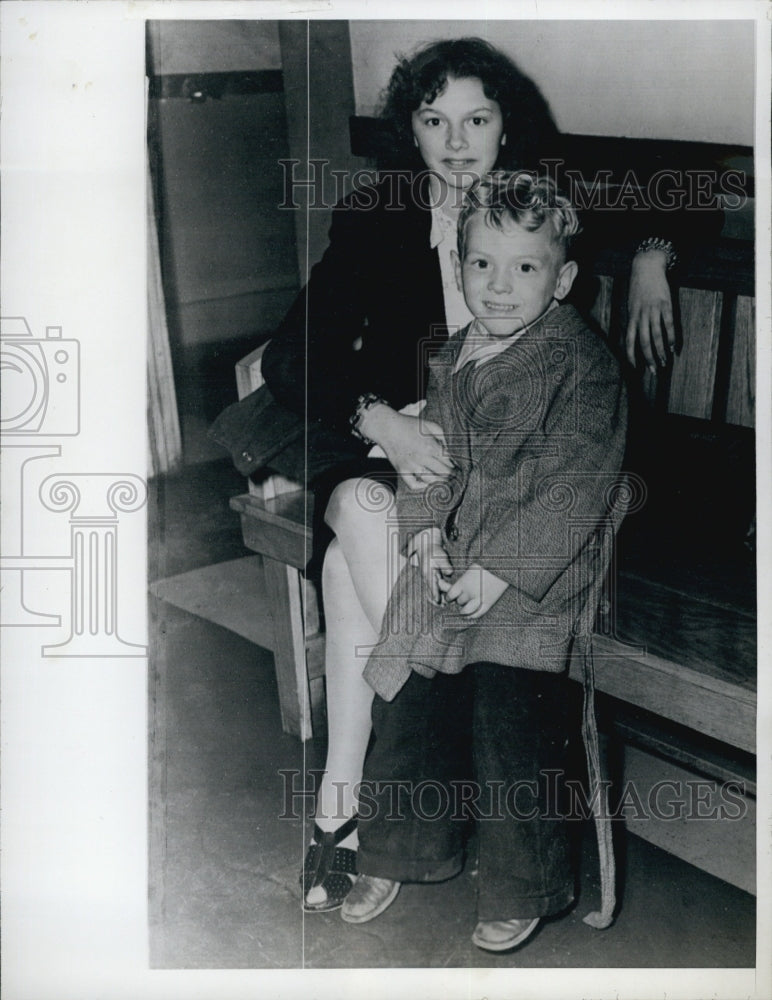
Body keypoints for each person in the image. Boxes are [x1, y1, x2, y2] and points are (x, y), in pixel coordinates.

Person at [259, 37, 697, 913]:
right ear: (410, 131)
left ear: (507, 125)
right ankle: (390, 764)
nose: (456, 141)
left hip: (522, 479)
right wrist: (377, 416)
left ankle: (352, 798)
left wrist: (652, 255)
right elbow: (291, 358)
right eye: (434, 119)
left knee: (348, 556)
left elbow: (672, 181)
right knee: (355, 501)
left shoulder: (544, 198)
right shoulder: (380, 211)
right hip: (403, 452)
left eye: (477, 118)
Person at [339, 171, 627, 952]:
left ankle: (521, 883)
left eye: (525, 268)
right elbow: (428, 457)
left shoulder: (584, 368)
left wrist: (499, 569)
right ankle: (398, 849)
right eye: (481, 266)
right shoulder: (457, 354)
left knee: (512, 708)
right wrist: (427, 534)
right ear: (459, 266)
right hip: (453, 562)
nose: (499, 288)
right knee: (405, 689)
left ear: (562, 279)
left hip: (540, 577)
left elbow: (579, 484)